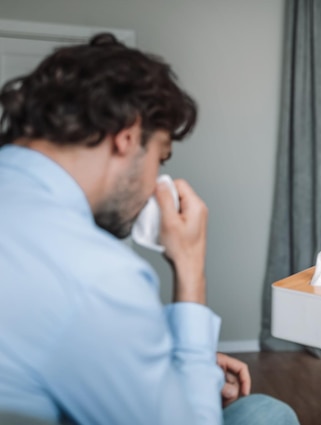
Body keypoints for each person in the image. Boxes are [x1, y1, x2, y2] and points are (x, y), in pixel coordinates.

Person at [0, 33, 299, 425]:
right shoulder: (97, 272)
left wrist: (169, 359)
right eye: (160, 158)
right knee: (269, 414)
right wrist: (191, 269)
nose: (154, 182)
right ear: (126, 136)